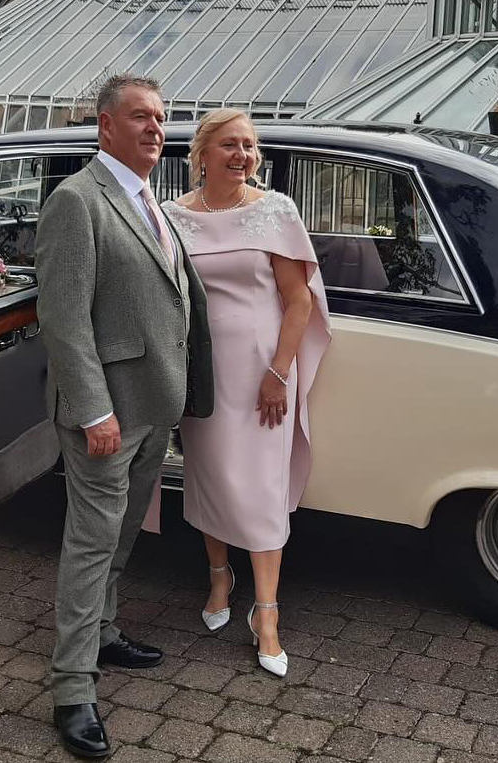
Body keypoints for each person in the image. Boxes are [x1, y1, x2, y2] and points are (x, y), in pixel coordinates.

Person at [35, 74, 212, 758]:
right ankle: (73, 687)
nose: (154, 128)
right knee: (90, 542)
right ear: (105, 124)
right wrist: (93, 409)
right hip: (106, 416)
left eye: (162, 118)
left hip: (153, 405)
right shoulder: (77, 201)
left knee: (121, 535)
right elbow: (64, 320)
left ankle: (104, 633)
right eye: (140, 116)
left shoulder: (151, 201)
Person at [163, 109, 331, 679]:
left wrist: (279, 373)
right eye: (230, 145)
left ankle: (267, 612)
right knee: (209, 475)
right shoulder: (171, 218)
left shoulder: (275, 211)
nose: (242, 156)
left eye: (250, 147)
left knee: (259, 487)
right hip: (202, 371)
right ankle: (218, 578)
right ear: (203, 154)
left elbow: (299, 301)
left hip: (263, 373)